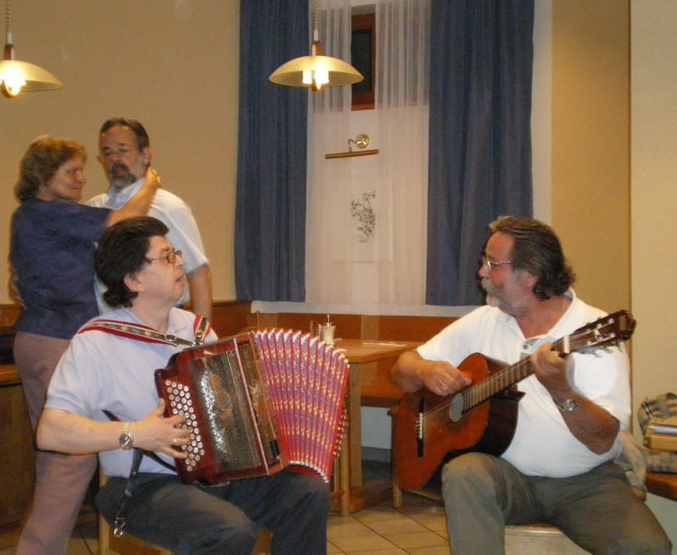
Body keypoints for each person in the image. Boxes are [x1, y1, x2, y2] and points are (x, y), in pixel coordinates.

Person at [36, 216, 330, 555]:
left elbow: (225, 407)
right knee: (230, 530)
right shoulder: (95, 343)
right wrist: (135, 434)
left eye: (175, 253)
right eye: (166, 257)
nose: (180, 262)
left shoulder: (195, 330)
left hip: (214, 476)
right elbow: (50, 432)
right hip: (142, 487)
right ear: (133, 280)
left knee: (307, 493)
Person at [390, 216, 671, 555]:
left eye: (493, 264)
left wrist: (562, 391)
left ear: (531, 274)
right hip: (507, 477)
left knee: (649, 548)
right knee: (464, 473)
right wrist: (424, 370)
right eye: (485, 262)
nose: (481, 273)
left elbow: (602, 440)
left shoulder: (592, 332)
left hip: (584, 484)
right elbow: (401, 369)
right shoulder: (484, 321)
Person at [10, 135, 159, 555]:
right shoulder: (48, 212)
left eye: (81, 171)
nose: (80, 178)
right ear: (44, 176)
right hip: (54, 341)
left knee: (60, 454)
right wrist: (150, 182)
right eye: (71, 171)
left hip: (42, 337)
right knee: (70, 456)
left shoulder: (33, 215)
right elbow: (125, 220)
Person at [86, 117, 213, 320]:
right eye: (107, 152)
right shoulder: (94, 208)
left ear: (145, 154)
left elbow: (198, 273)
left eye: (123, 150)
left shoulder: (169, 207)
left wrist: (201, 336)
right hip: (107, 326)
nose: (114, 159)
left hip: (162, 325)